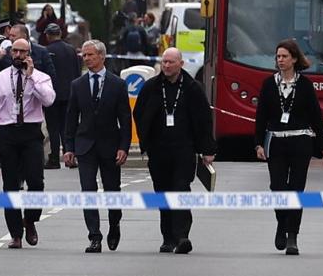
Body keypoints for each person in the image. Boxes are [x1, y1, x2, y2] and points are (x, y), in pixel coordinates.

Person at [133, 48, 216, 254]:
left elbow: (204, 120)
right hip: (158, 150)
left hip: (184, 150)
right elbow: (139, 113)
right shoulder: (152, 87)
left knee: (181, 190)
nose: (167, 66)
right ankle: (167, 237)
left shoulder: (192, 88)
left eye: (171, 62)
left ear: (181, 64)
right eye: (164, 62)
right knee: (162, 193)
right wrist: (146, 140)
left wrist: (207, 149)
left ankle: (182, 236)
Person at [254, 40, 323, 256]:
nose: (280, 60)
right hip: (276, 142)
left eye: (284, 56)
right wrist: (258, 143)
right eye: (278, 57)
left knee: (296, 191)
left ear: (294, 59)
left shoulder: (305, 85)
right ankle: (282, 221)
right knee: (277, 188)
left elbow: (316, 116)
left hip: (301, 142)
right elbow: (261, 116)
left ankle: (292, 237)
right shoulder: (269, 84)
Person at [0, 38, 56, 249]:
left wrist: (31, 78)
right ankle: (15, 233)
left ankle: (30, 220)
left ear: (29, 54)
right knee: (10, 185)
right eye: (15, 51)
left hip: (31, 132)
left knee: (36, 182)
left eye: (23, 52)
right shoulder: (0, 79)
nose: (18, 55)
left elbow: (49, 100)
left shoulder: (41, 77)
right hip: (7, 134)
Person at [63, 40, 132, 253]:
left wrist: (124, 147)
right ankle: (94, 236)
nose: (87, 59)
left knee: (112, 190)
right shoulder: (78, 85)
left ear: (102, 56)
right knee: (88, 191)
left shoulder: (117, 84)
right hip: (85, 146)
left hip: (110, 145)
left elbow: (125, 119)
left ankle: (114, 223)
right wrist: (69, 147)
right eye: (84, 55)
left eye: (90, 55)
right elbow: (71, 118)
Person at [43, 23, 82, 169]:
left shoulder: (46, 51)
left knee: (53, 127)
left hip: (52, 95)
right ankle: (70, 156)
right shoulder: (71, 50)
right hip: (69, 94)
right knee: (68, 126)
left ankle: (54, 158)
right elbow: (77, 72)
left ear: (47, 35)